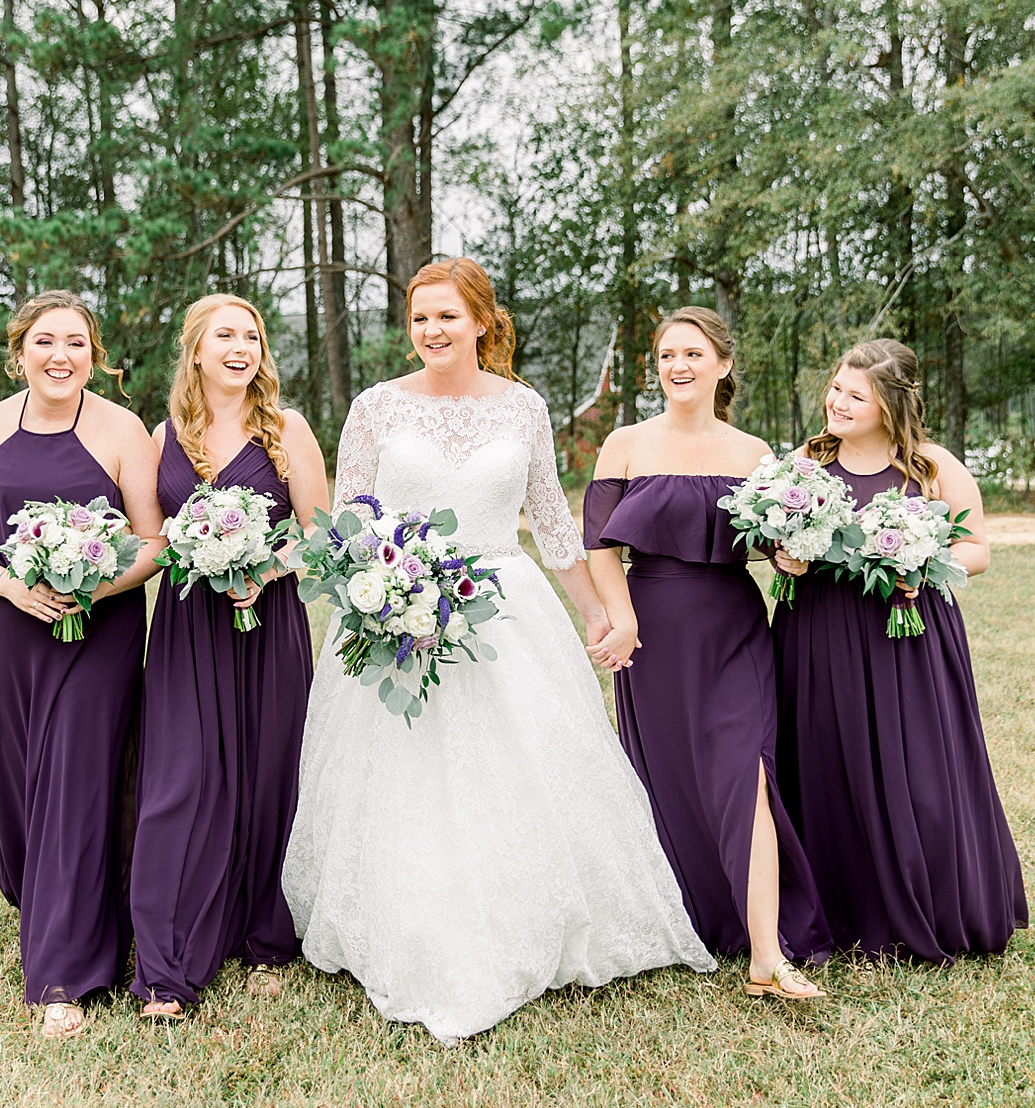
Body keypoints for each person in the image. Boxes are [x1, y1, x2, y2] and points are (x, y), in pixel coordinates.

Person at [282, 258, 714, 1046]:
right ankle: (410, 923)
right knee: (402, 779)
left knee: (515, 772)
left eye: (447, 316)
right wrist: (378, 596)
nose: (432, 332)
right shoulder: (375, 408)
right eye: (419, 319)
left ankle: (522, 918)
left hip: (503, 613)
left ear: (483, 320)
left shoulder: (524, 408)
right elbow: (347, 522)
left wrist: (596, 614)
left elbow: (551, 521)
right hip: (395, 613)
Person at [585, 307, 831, 999]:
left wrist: (792, 556)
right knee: (668, 778)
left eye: (693, 353)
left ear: (722, 365)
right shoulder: (624, 444)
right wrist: (622, 618)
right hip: (652, 631)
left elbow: (775, 546)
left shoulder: (755, 454)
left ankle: (765, 953)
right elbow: (599, 545)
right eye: (667, 354)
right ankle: (688, 913)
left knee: (744, 769)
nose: (678, 365)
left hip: (732, 626)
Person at [0, 290, 159, 1038]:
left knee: (75, 771)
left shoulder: (122, 429)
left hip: (103, 628)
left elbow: (153, 543)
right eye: (45, 342)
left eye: (76, 342)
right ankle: (48, 897)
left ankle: (63, 973)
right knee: (22, 768)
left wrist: (89, 586)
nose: (60, 356)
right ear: (20, 350)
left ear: (96, 353)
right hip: (8, 626)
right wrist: (12, 585)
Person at [771, 338, 1028, 963]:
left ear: (889, 403)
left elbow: (979, 552)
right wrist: (785, 556)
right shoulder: (806, 462)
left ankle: (933, 904)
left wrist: (925, 561)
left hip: (906, 634)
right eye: (836, 388)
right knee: (827, 763)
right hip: (819, 632)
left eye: (856, 395)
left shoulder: (933, 467)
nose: (837, 402)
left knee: (918, 770)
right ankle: (837, 909)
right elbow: (771, 537)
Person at [129, 293, 329, 1021]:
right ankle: (166, 963)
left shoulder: (286, 429)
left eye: (252, 335)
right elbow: (151, 539)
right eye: (225, 335)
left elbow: (319, 535)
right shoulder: (163, 434)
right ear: (196, 350)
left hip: (267, 619)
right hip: (187, 625)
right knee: (178, 782)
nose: (241, 346)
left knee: (267, 773)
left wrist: (262, 572)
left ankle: (265, 936)